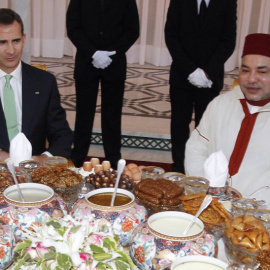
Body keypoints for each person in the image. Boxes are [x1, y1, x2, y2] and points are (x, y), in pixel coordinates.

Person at [185, 33, 270, 204]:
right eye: (245, 70)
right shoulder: (221, 104)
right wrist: (210, 187)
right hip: (211, 206)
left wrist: (252, 205)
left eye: (262, 72)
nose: (251, 79)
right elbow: (196, 149)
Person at [165, 0, 237, 173]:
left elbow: (228, 41)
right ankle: (179, 168)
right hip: (182, 75)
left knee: (205, 125)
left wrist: (206, 72)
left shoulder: (227, 2)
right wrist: (190, 70)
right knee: (179, 124)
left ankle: (200, 170)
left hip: (209, 79)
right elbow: (171, 35)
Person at [66, 0, 139, 169]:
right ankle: (78, 155)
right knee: (84, 112)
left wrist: (111, 53)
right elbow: (73, 27)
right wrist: (93, 53)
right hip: (86, 61)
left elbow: (132, 30)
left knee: (112, 114)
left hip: (114, 63)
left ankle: (113, 157)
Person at [0, 8, 73, 164]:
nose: (11, 50)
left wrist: (43, 159)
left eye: (16, 41)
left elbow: (62, 135)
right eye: (2, 42)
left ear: (24, 39)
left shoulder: (44, 82)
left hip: (34, 174)